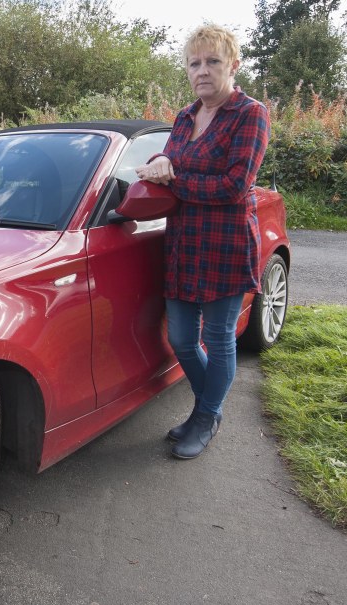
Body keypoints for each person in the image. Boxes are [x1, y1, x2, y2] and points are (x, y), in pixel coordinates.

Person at [134, 24, 269, 460]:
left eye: (213, 61)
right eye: (195, 63)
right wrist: (157, 163)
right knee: (181, 339)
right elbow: (169, 158)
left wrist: (176, 179)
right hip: (184, 244)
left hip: (225, 245)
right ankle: (208, 409)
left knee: (219, 336)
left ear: (233, 65)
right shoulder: (186, 115)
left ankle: (205, 416)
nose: (203, 70)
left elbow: (234, 186)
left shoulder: (251, 113)